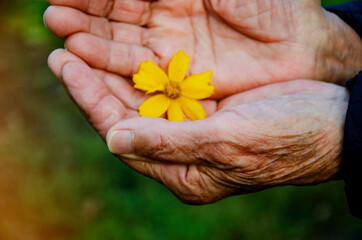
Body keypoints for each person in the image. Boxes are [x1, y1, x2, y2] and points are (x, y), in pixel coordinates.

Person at [44, 0, 362, 217]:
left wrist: (344, 132)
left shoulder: (186, 94)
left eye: (173, 86)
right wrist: (340, 43)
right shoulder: (162, 92)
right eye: (170, 87)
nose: (171, 88)